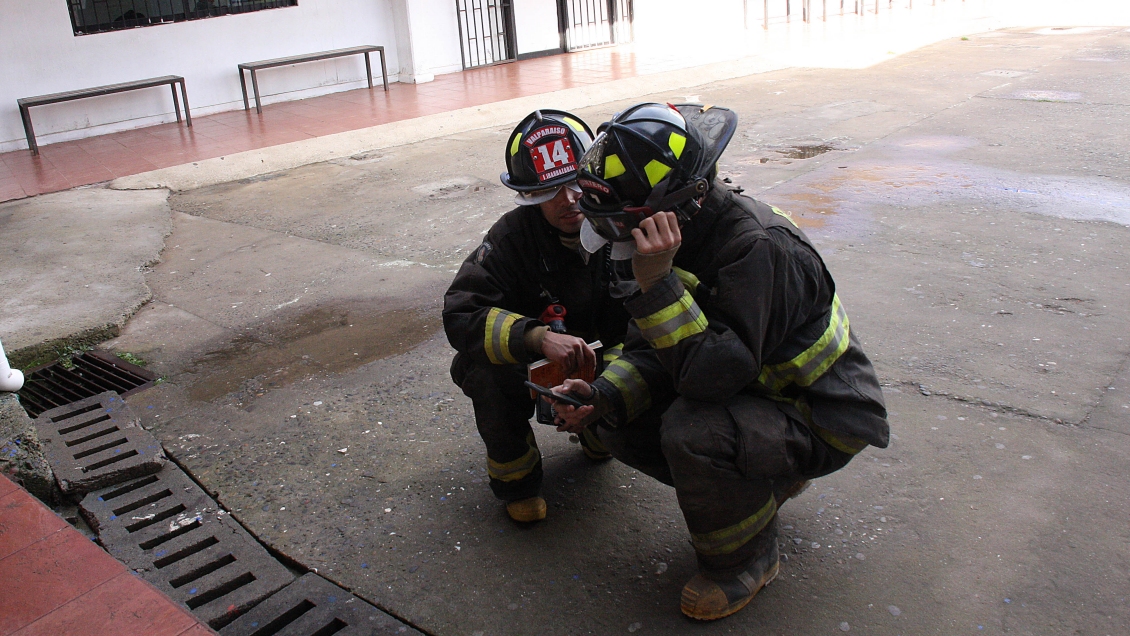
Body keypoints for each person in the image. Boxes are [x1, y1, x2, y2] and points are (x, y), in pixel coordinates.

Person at [552, 103, 890, 620]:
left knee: (693, 430)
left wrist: (657, 283)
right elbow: (650, 350)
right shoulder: (670, 238)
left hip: (821, 414)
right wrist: (601, 396)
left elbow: (709, 379)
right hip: (752, 397)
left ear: (667, 208)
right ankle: (759, 483)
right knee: (617, 421)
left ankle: (746, 561)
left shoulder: (755, 249)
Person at [443, 109, 635, 523]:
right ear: (531, 196)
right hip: (534, 366)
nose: (569, 200)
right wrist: (536, 338)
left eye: (574, 185)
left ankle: (600, 430)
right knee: (483, 372)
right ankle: (519, 482)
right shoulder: (511, 238)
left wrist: (608, 394)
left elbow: (644, 325)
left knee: (648, 373)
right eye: (551, 191)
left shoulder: (620, 224)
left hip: (605, 359)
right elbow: (461, 312)